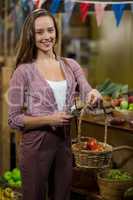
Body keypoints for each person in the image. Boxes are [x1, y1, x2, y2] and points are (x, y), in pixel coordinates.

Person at [8, 9, 102, 200]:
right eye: (39, 32)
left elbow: (86, 90)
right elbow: (13, 119)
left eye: (50, 30)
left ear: (56, 32)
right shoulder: (23, 71)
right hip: (36, 146)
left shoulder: (70, 65)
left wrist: (93, 95)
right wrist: (50, 119)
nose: (46, 36)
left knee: (62, 196)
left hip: (64, 144)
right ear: (31, 36)